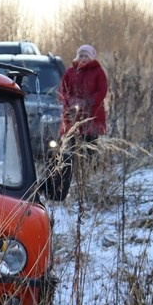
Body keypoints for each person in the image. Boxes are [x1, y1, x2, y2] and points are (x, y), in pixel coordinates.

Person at [46, 45, 108, 199]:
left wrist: (90, 101)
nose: (82, 59)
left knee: (90, 146)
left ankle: (89, 173)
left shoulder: (98, 72)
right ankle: (70, 177)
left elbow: (102, 90)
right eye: (80, 55)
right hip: (72, 116)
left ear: (92, 57)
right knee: (70, 147)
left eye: (86, 56)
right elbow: (62, 91)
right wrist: (70, 101)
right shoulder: (70, 72)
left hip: (91, 115)